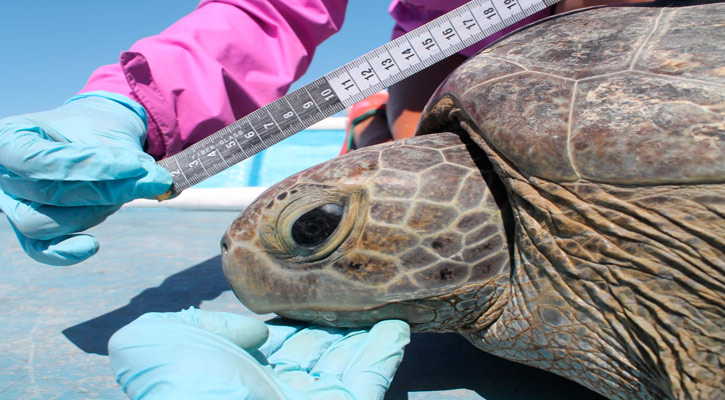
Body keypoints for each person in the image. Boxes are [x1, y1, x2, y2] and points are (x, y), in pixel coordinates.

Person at [0, 0, 646, 399]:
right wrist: (134, 105)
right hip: (459, 80)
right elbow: (272, 8)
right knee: (396, 143)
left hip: (642, 65)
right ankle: (372, 132)